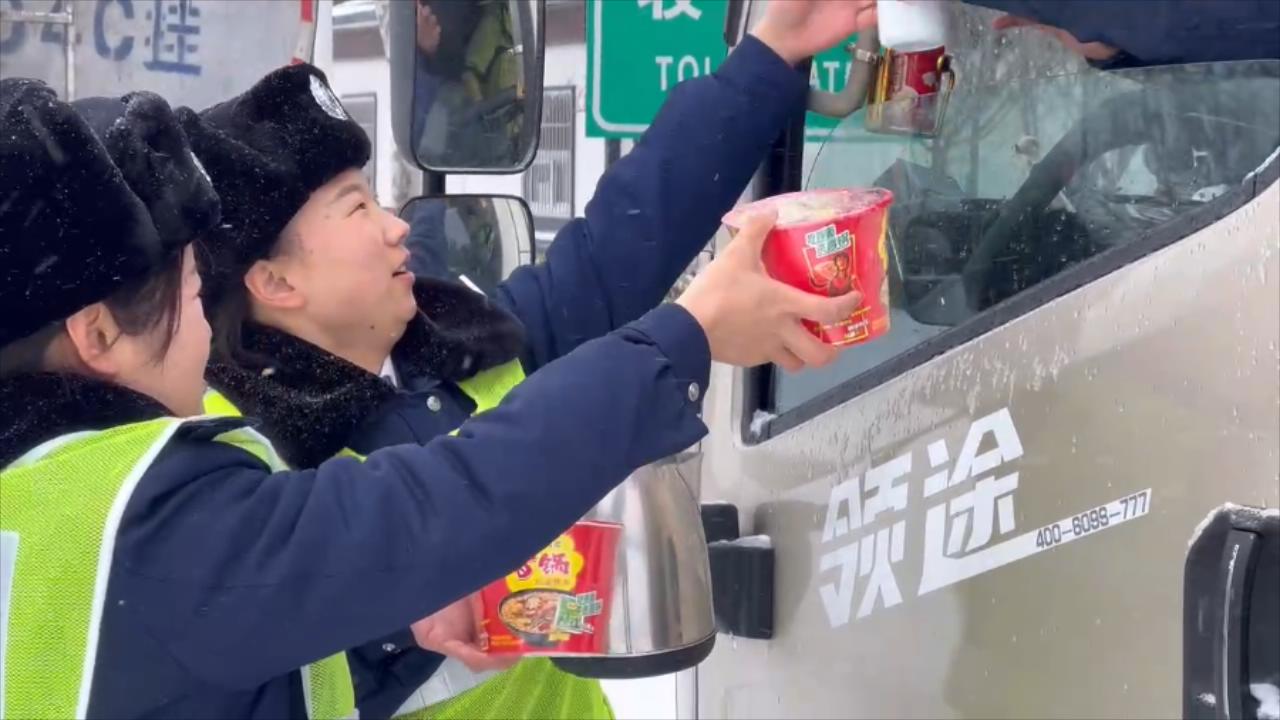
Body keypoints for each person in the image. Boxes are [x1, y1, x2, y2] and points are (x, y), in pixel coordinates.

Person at [0, 80, 855, 719]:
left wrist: (399, 632)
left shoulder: (456, 346)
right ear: (97, 333)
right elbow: (433, 506)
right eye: (192, 295)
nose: (396, 226)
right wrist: (689, 334)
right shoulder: (150, 512)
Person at [183, 2, 878, 717]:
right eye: (357, 209)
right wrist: (399, 620)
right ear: (276, 282)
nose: (396, 229)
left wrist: (770, 55)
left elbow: (629, 233)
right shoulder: (239, 469)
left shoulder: (462, 345)